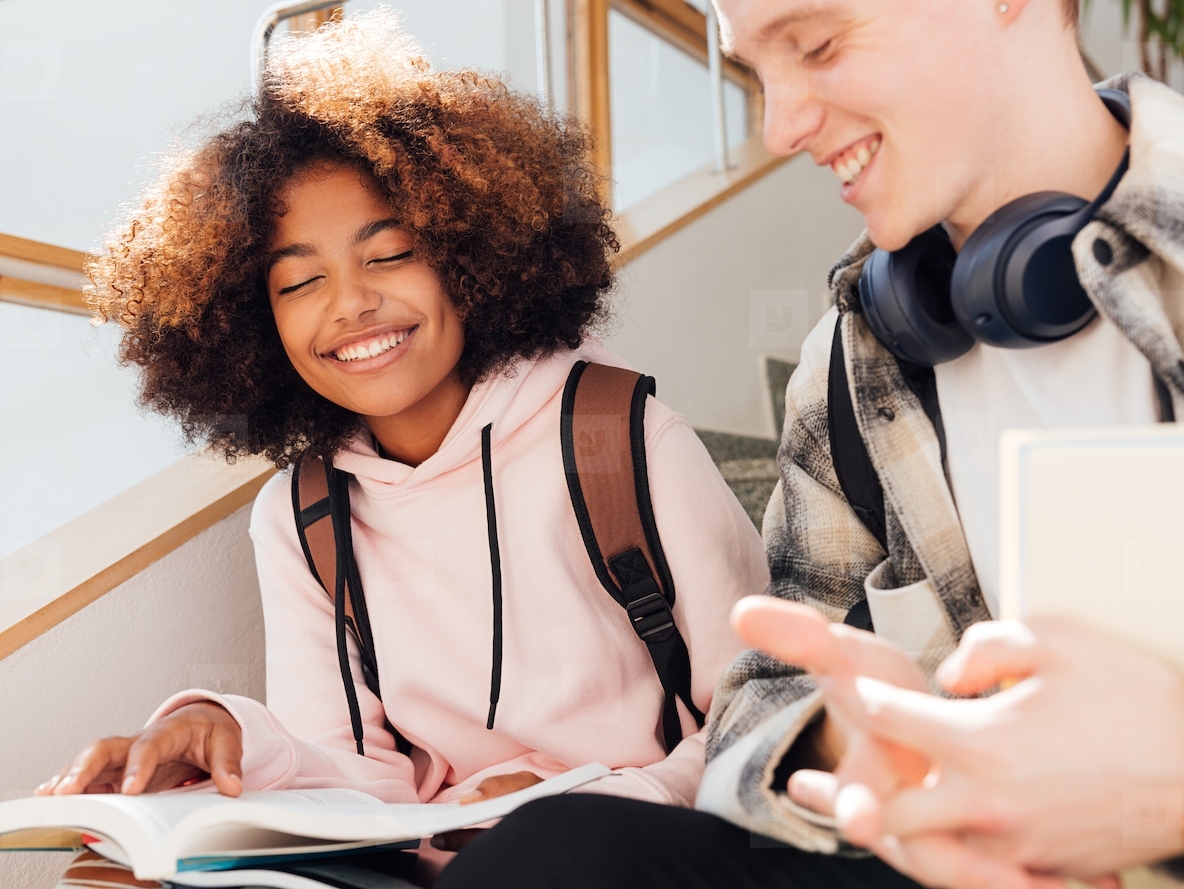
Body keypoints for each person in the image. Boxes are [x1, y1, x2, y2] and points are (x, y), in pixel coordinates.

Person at [431, 0, 1184, 887]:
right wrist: (844, 735)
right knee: (551, 856)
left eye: (817, 45)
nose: (780, 126)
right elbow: (760, 701)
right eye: (755, 72)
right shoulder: (854, 359)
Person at [38, 11, 768, 887]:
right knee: (111, 877)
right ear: (254, 323)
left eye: (390, 254)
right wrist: (225, 726)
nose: (349, 304)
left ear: (470, 256)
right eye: (301, 280)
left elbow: (764, 718)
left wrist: (594, 798)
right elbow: (359, 779)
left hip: (631, 847)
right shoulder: (303, 515)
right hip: (437, 864)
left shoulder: (619, 435)